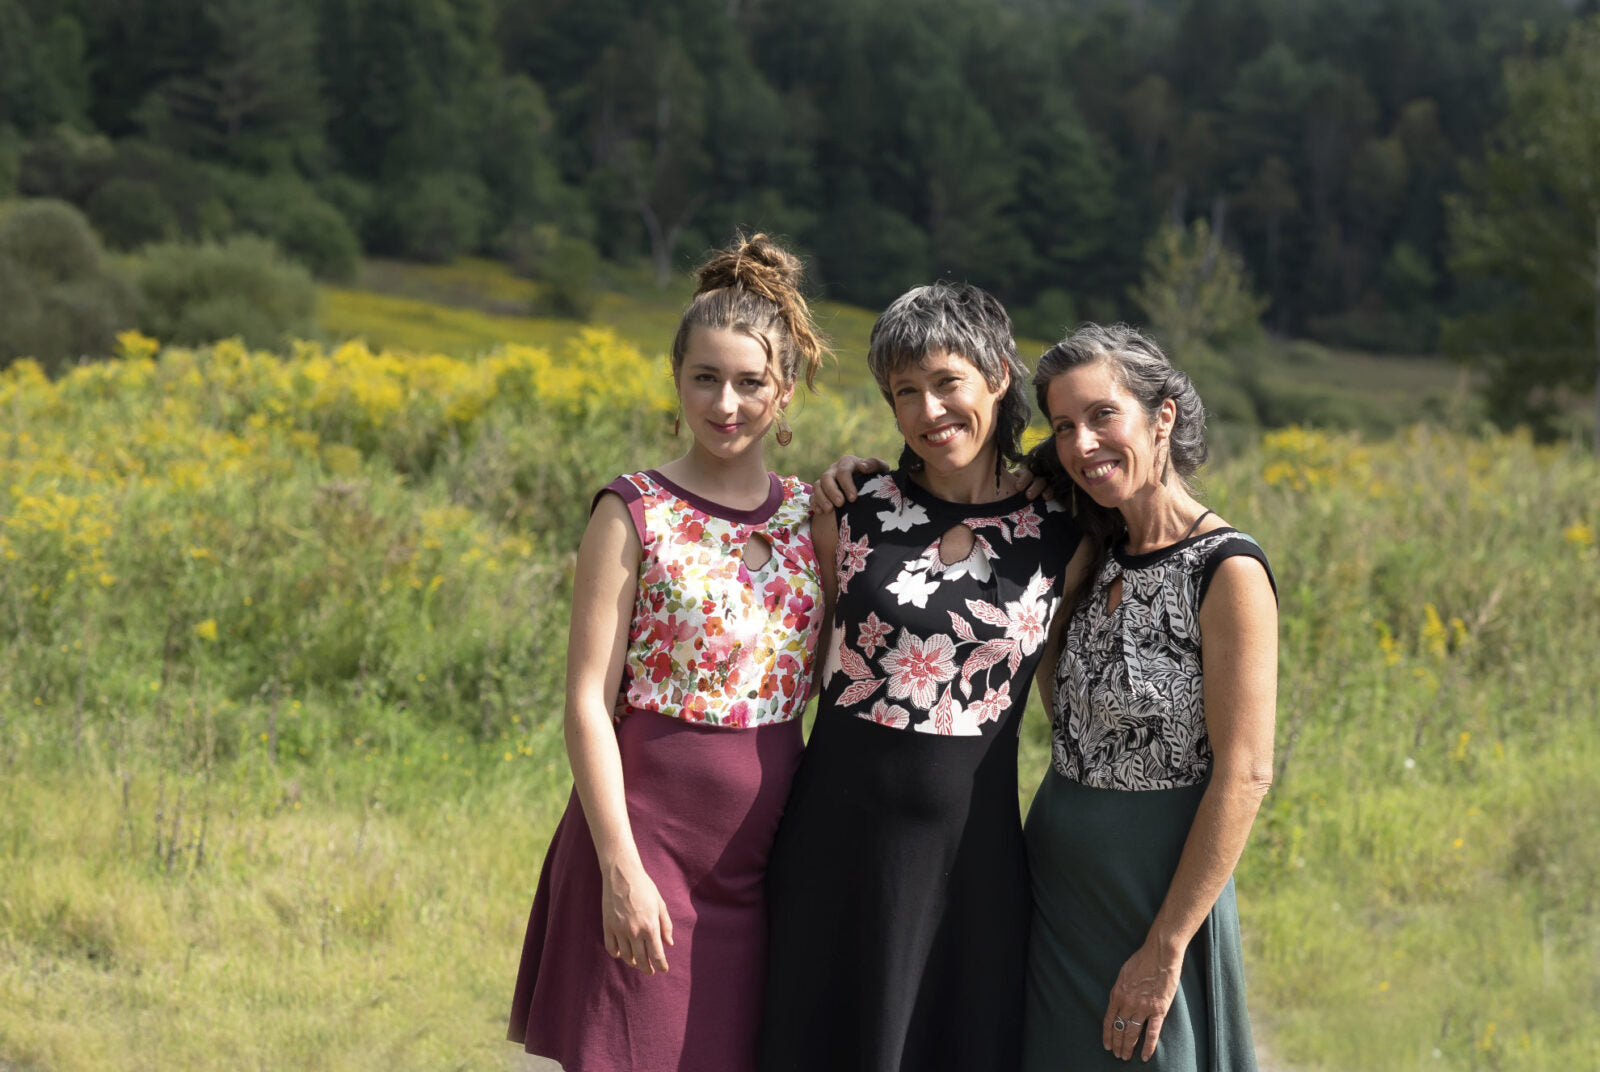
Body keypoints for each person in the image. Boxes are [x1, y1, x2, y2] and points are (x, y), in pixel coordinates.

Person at [507, 234, 829, 1072]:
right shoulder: (632, 509)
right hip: (644, 842)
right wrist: (621, 869)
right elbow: (585, 700)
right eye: (706, 378)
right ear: (676, 381)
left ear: (784, 391)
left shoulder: (814, 516)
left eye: (751, 382)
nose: (727, 403)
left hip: (763, 865)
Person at [757, 283, 1081, 1072]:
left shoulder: (1065, 533)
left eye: (947, 382)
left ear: (999, 376)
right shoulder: (850, 507)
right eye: (906, 392)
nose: (930, 410)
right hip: (832, 850)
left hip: (971, 866)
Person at [1020, 323, 1277, 1070]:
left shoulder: (1225, 569)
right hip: (1056, 896)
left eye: (1103, 416)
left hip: (1152, 900)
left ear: (1161, 416)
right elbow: (1072, 718)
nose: (1082, 444)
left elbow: (1247, 773)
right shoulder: (1095, 554)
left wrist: (1165, 949)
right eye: (1064, 427)